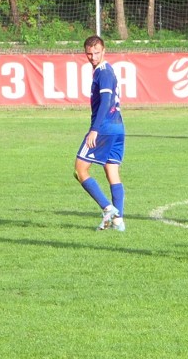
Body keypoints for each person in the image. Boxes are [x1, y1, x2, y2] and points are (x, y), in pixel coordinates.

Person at [74, 35, 126, 231]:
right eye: (89, 53)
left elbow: (106, 101)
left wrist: (94, 130)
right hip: (118, 127)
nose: (93, 57)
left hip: (104, 127)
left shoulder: (103, 73)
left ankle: (107, 208)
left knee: (80, 169)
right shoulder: (107, 70)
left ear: (104, 51)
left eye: (96, 52)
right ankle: (118, 222)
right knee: (112, 171)